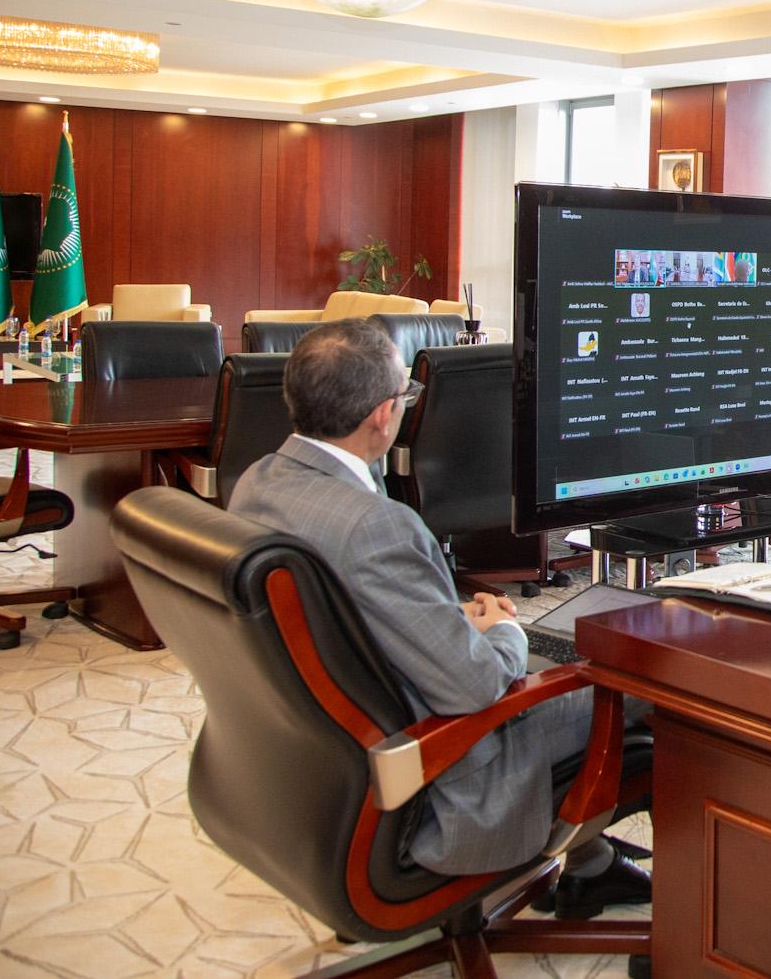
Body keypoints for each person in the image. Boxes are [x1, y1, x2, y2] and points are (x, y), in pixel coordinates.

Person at [227, 319, 650, 917]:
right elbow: (476, 686)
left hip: (309, 770)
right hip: (438, 776)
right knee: (650, 684)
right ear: (383, 415)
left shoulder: (257, 482)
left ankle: (592, 866)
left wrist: (450, 623)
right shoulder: (375, 528)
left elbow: (357, 612)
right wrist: (503, 630)